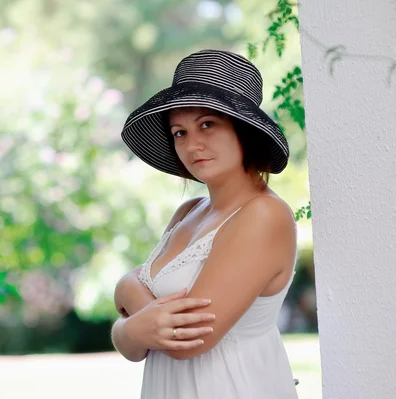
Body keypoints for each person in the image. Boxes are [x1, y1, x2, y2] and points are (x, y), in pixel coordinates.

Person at [111, 49, 299, 398]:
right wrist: (129, 327)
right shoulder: (188, 211)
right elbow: (137, 346)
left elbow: (187, 339)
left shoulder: (264, 215)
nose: (192, 144)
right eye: (179, 132)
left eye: (207, 125)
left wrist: (127, 296)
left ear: (244, 131)